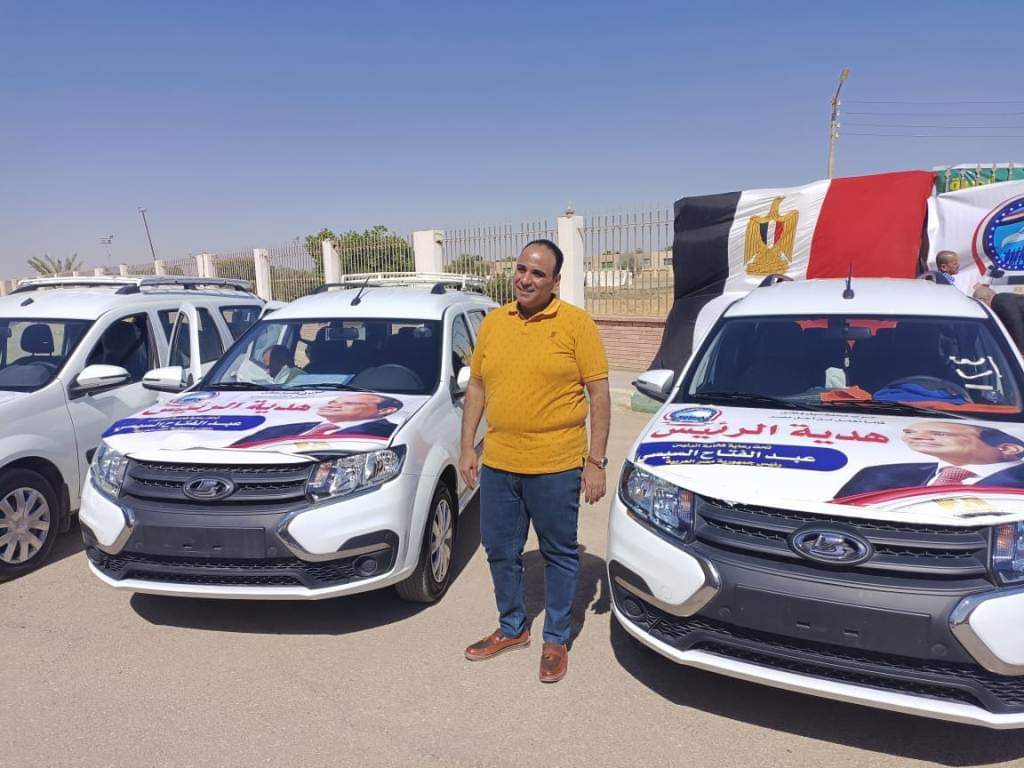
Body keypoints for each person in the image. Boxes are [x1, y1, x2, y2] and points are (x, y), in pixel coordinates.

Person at [460, 238, 610, 684]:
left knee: (559, 553)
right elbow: (477, 387)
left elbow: (599, 394)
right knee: (499, 550)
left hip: (556, 465)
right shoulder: (494, 323)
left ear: (555, 282)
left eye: (538, 273)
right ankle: (513, 628)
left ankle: (556, 638)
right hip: (500, 463)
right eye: (522, 269)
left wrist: (595, 461)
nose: (526, 279)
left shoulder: (576, 325)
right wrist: (467, 447)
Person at [835, 420, 1024, 499]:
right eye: (910, 432)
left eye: (940, 434)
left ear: (1008, 448)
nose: (916, 437)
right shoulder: (877, 474)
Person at [229, 393, 403, 448]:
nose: (333, 405)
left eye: (350, 403)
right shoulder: (276, 429)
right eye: (333, 401)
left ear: (386, 411)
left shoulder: (388, 435)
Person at [936, 249, 1024, 351]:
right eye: (955, 264)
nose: (958, 265)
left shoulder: (961, 279)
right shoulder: (942, 283)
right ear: (944, 267)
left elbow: (978, 288)